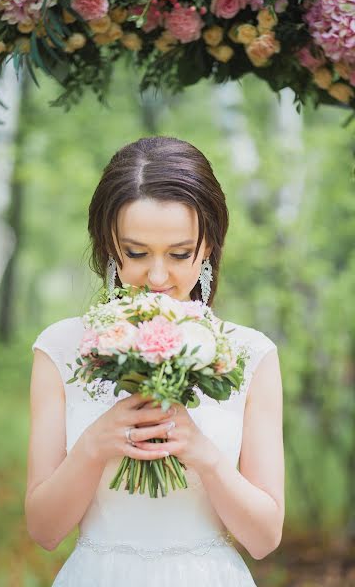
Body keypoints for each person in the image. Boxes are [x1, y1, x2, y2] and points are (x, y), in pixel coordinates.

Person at [25, 136, 285, 586]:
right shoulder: (62, 347)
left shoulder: (249, 353)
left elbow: (264, 538)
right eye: (137, 253)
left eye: (180, 254)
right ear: (109, 246)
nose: (158, 277)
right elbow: (44, 531)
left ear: (208, 248)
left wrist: (203, 453)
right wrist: (95, 444)